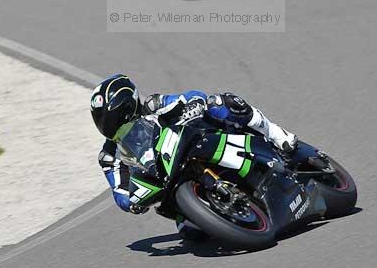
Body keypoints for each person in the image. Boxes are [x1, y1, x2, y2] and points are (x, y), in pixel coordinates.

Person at [90, 74, 298, 239]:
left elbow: (193, 96)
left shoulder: (154, 106)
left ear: (127, 105)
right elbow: (119, 191)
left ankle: (278, 134)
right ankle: (232, 213)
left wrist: (193, 107)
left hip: (199, 143)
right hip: (167, 183)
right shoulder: (109, 155)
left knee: (219, 103)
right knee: (192, 234)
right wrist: (132, 203)